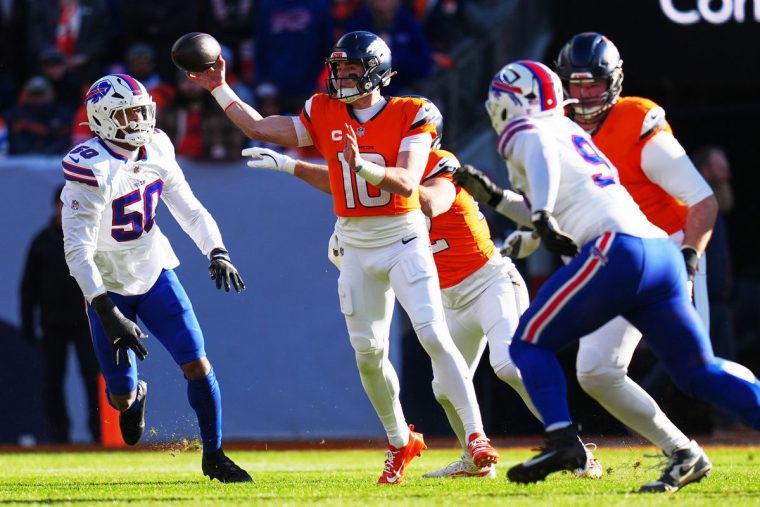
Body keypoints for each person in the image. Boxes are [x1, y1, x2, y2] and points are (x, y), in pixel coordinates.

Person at [187, 30, 498, 484]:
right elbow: (260, 127)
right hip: (354, 242)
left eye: (352, 68)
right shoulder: (323, 109)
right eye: (339, 68)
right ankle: (400, 440)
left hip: (402, 235)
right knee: (368, 353)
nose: (343, 76)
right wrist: (219, 87)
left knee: (432, 332)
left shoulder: (412, 112)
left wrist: (361, 165)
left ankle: (475, 437)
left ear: (378, 72)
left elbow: (407, 184)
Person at [239, 98, 602, 479]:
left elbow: (429, 201)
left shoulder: (440, 163)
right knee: (444, 388)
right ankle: (472, 460)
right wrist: (313, 182)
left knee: (509, 365)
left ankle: (575, 449)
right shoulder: (384, 168)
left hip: (488, 283)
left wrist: (369, 173)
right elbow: (345, 184)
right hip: (449, 297)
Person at [469, 59, 760, 489]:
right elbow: (553, 199)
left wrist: (542, 215)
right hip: (659, 252)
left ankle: (563, 440)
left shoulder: (528, 131)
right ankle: (684, 453)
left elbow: (541, 166)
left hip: (616, 251)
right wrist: (499, 199)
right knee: (697, 373)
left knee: (528, 343)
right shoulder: (570, 134)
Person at [61, 73, 251, 482]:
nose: (139, 120)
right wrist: (106, 310)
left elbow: (189, 208)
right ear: (103, 118)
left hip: (153, 270)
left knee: (197, 362)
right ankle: (135, 398)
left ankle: (215, 455)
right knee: (120, 395)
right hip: (108, 284)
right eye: (128, 114)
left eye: (141, 111)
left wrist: (216, 250)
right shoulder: (90, 166)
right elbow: (76, 251)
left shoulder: (158, 145)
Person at [20, 184, 101, 444]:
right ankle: (59, 437)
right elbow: (29, 286)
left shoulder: (89, 238)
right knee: (52, 382)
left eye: (72, 205)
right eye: (63, 204)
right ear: (56, 207)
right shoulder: (42, 242)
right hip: (53, 324)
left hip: (87, 324)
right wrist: (28, 322)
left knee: (94, 379)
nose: (67, 210)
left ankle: (99, 434)